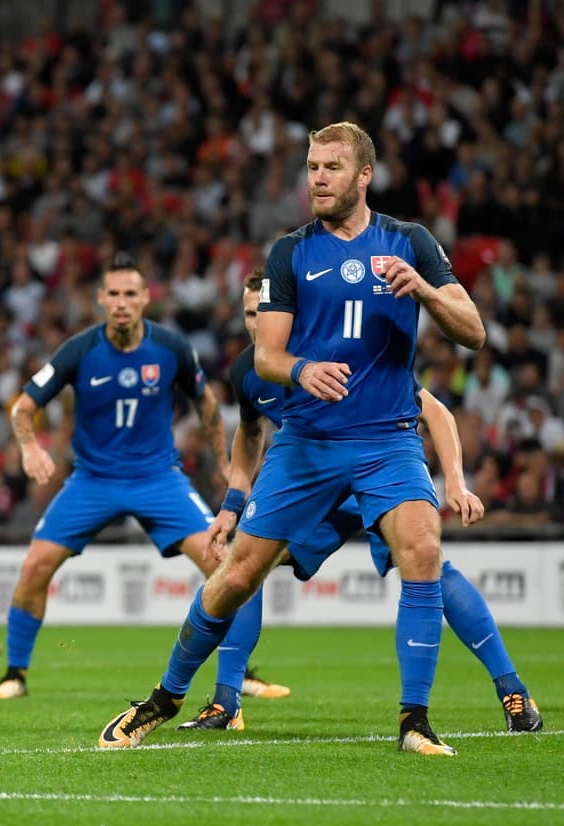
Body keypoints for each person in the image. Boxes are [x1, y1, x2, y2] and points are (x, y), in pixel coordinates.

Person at [99, 122, 487, 756]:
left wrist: (423, 289)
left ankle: (414, 720)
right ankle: (163, 699)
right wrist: (304, 369)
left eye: (331, 167)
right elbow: (267, 356)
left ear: (365, 175)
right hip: (306, 444)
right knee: (235, 576)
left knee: (422, 551)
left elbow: (473, 331)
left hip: (387, 441)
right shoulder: (290, 253)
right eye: (311, 167)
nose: (318, 178)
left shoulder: (410, 242)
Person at [175, 271, 541, 733]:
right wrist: (232, 504)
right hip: (314, 489)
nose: (258, 323)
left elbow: (437, 412)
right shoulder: (249, 371)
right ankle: (226, 702)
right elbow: (249, 436)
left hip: (374, 480)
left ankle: (511, 689)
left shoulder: (341, 353)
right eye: (251, 314)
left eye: (265, 313)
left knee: (429, 567)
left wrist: (456, 482)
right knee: (245, 564)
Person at [0, 253, 271, 703]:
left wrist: (224, 462)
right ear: (100, 299)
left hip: (159, 478)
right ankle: (14, 675)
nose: (121, 303)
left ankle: (238, 672)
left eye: (130, 294)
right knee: (35, 566)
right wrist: (29, 446)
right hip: (92, 480)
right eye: (113, 294)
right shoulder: (79, 350)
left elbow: (207, 407)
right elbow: (23, 407)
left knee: (227, 565)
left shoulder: (171, 347)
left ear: (145, 298)